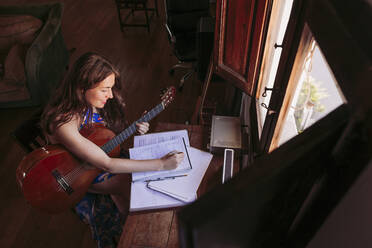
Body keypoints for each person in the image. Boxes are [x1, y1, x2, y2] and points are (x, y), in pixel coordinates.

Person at [40, 52, 184, 247]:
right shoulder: (63, 122)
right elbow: (107, 164)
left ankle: (130, 222)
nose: (110, 95)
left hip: (95, 161)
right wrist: (162, 164)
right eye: (105, 89)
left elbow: (102, 140)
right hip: (74, 177)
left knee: (141, 180)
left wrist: (138, 129)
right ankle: (132, 233)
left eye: (111, 88)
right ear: (82, 87)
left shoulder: (89, 103)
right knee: (131, 182)